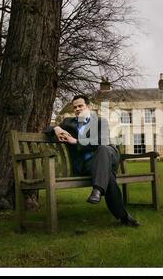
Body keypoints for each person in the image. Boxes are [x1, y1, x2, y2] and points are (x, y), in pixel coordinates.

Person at [46, 94, 140, 227]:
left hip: (108, 155)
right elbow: (47, 129)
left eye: (80, 106)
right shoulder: (68, 123)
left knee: (102, 148)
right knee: (108, 176)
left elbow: (102, 141)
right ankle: (123, 216)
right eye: (75, 107)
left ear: (88, 107)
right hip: (89, 165)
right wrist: (57, 128)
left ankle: (97, 190)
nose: (77, 109)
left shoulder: (101, 122)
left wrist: (76, 141)